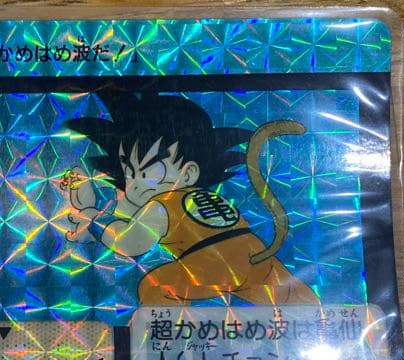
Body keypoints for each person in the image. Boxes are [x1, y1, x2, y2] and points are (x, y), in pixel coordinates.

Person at [62, 91, 318, 306]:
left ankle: (178, 339)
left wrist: (92, 217)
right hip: (256, 257)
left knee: (155, 286)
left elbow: (130, 243)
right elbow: (129, 217)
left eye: (146, 172)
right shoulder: (206, 197)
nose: (134, 183)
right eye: (130, 172)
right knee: (298, 299)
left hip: (209, 267)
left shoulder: (162, 204)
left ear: (188, 173)